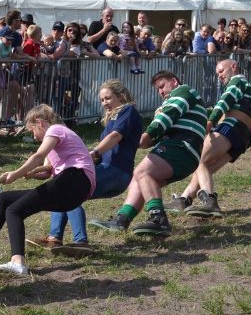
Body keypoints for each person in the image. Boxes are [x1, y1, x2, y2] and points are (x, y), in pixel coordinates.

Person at [0, 104, 93, 276]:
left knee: (14, 211)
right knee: (4, 199)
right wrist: (29, 174)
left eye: (32, 131)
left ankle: (18, 263)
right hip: (71, 190)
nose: (34, 137)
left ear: (40, 122)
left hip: (76, 180)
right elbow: (46, 172)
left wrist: (16, 173)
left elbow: (37, 157)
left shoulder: (56, 129)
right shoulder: (56, 144)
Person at [89, 70, 208, 236]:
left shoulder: (183, 91)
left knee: (142, 172)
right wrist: (145, 139)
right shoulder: (169, 104)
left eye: (162, 86)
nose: (160, 91)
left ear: (174, 81)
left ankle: (158, 219)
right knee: (139, 179)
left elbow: (165, 118)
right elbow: (153, 137)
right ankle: (122, 219)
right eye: (157, 89)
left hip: (182, 145)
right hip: (184, 150)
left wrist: (148, 134)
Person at [40, 79, 141, 250]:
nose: (105, 103)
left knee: (70, 189)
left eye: (108, 98)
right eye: (102, 100)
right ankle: (54, 237)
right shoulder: (111, 121)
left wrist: (94, 153)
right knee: (63, 190)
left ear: (121, 96)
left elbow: (116, 137)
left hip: (116, 170)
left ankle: (80, 242)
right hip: (112, 172)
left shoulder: (128, 110)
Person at [166, 59, 251, 217]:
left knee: (199, 159)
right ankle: (184, 199)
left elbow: (224, 101)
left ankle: (209, 202)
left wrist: (210, 121)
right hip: (244, 136)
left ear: (233, 66)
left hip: (232, 127)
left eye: (221, 71)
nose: (219, 76)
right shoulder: (247, 87)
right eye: (217, 74)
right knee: (206, 166)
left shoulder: (237, 81)